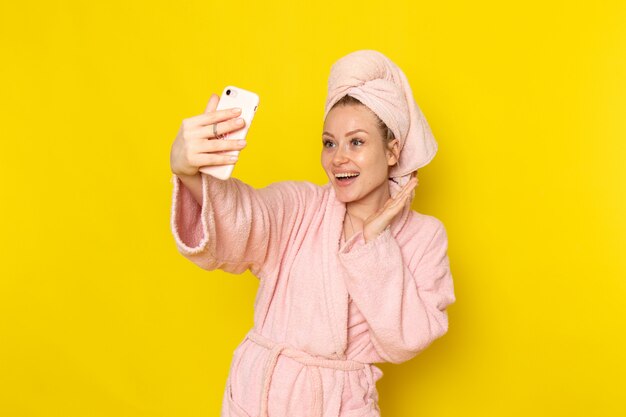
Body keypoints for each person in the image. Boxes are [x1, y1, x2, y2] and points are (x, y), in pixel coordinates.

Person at [169, 50, 456, 417]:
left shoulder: (424, 236)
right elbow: (245, 218)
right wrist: (191, 174)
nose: (338, 158)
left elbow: (407, 339)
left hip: (340, 404)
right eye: (329, 142)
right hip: (259, 396)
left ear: (392, 150)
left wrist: (374, 242)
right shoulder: (301, 206)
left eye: (356, 142)